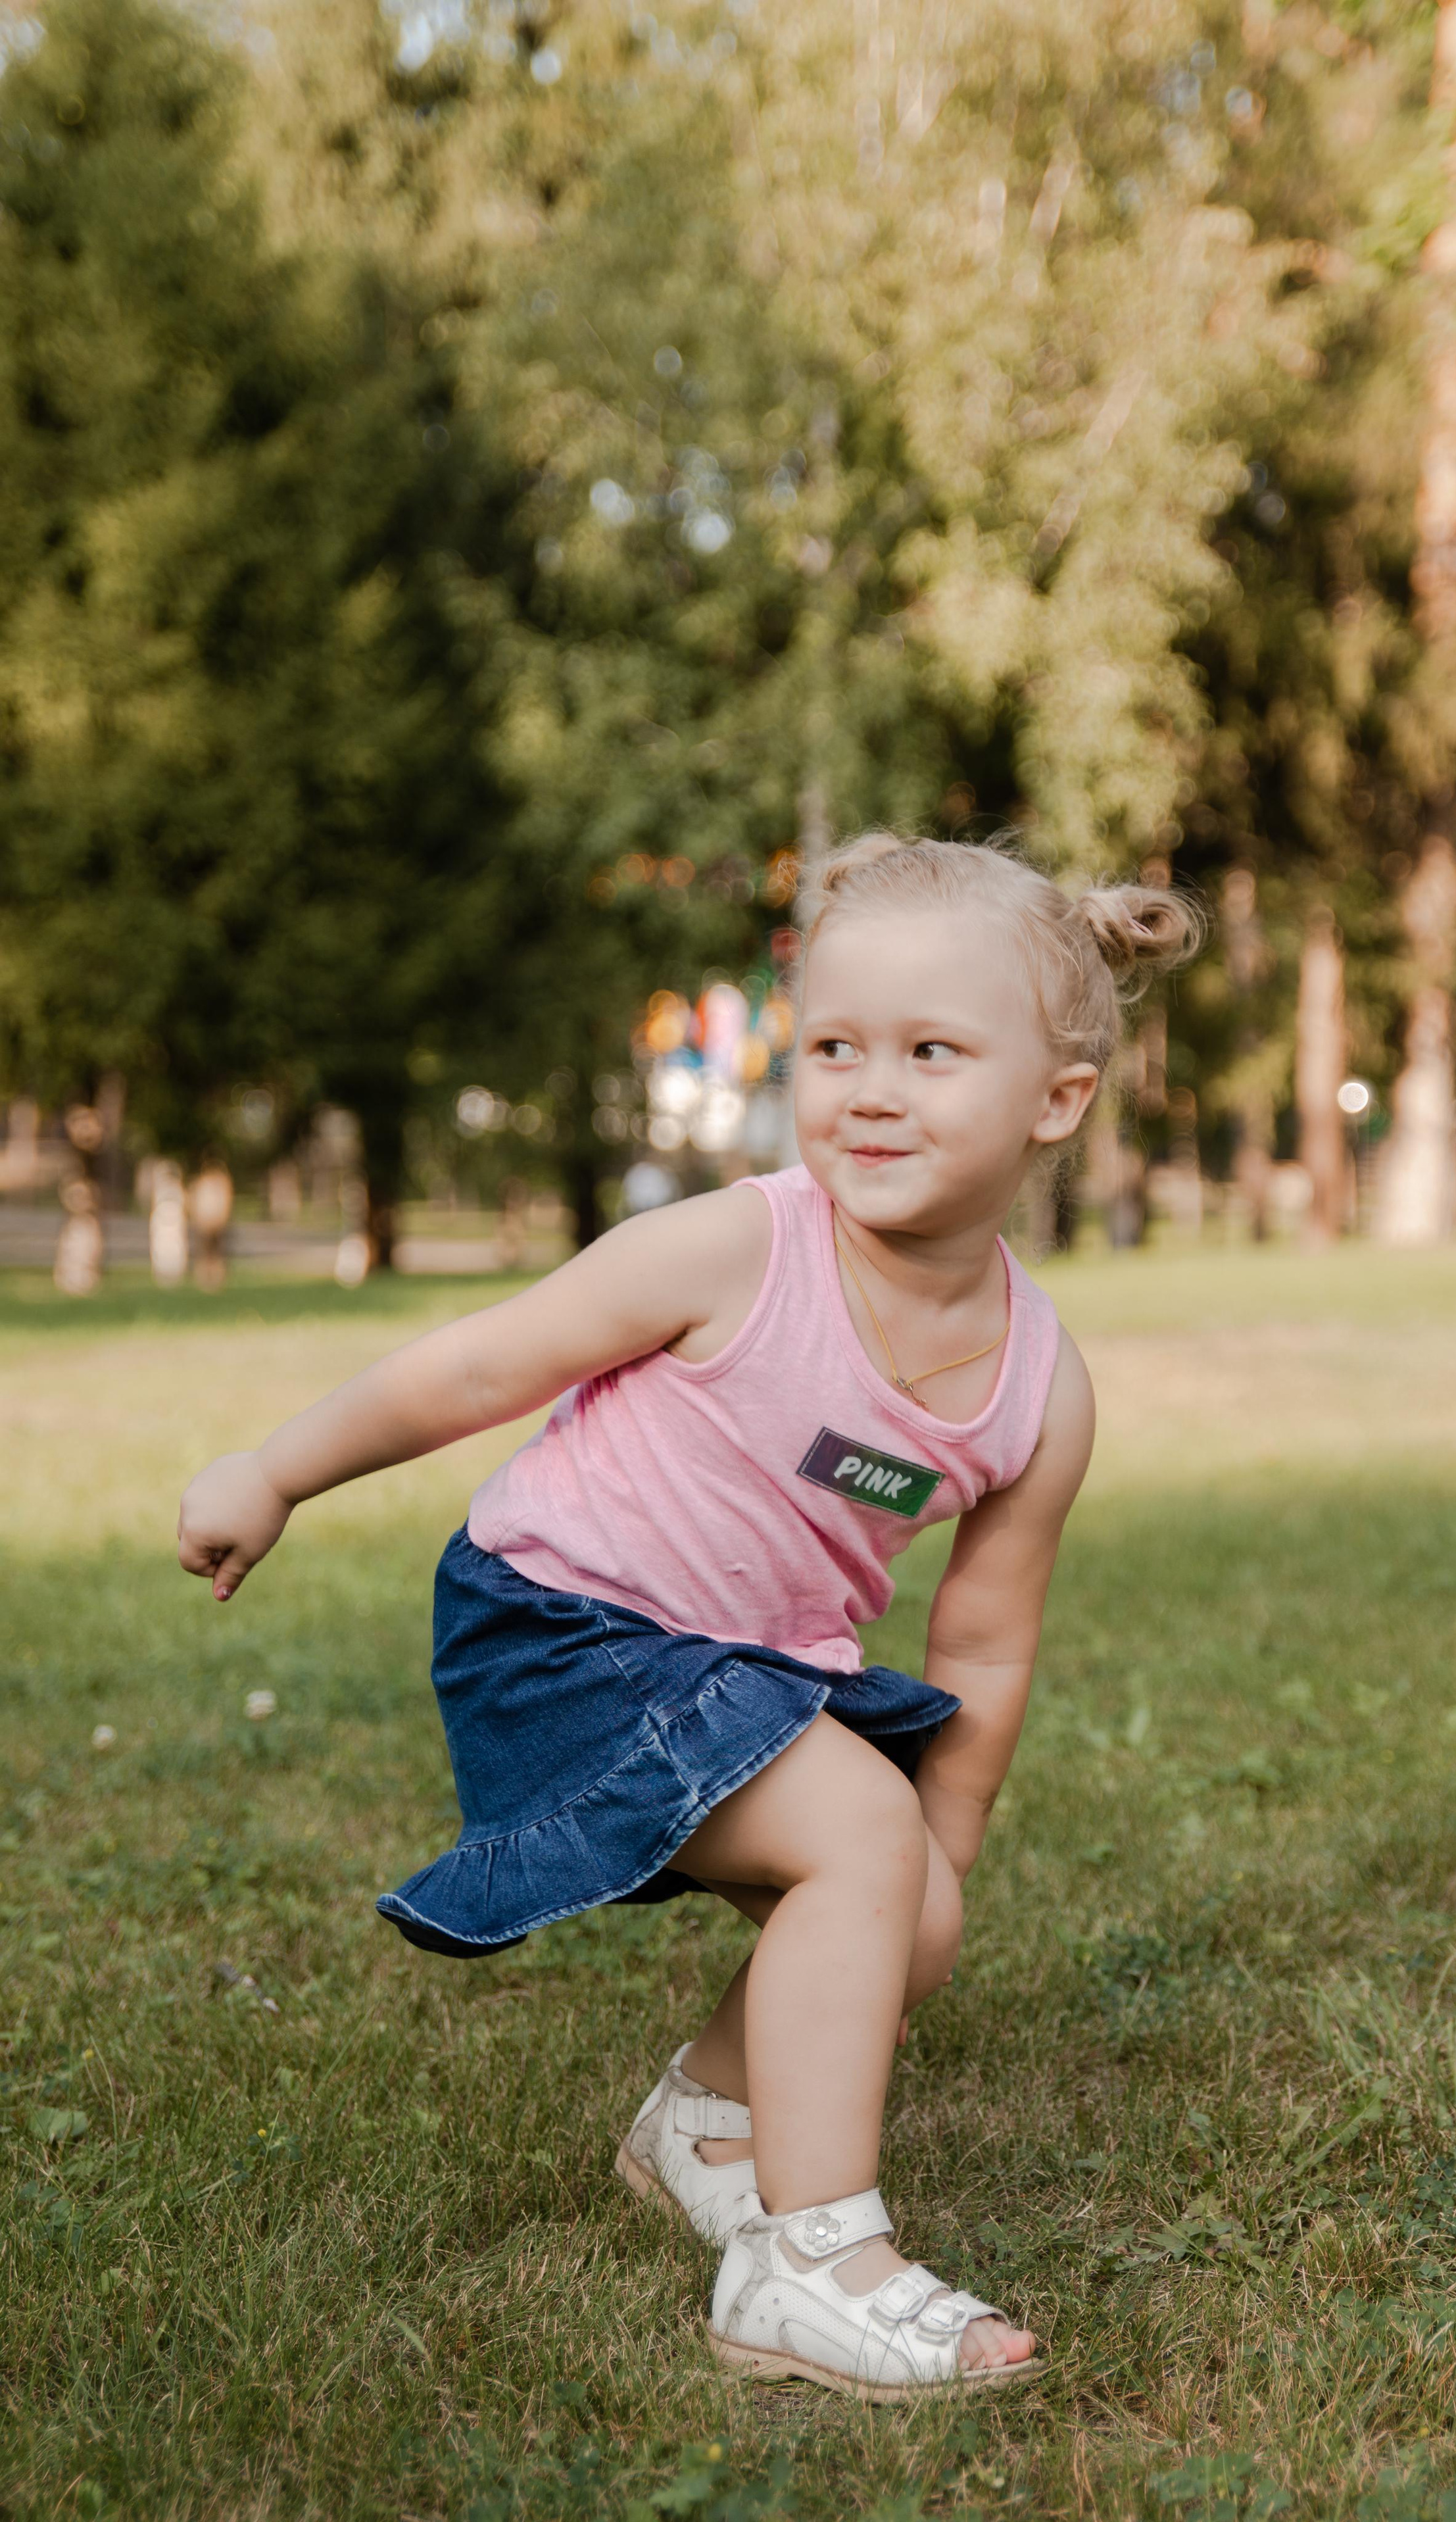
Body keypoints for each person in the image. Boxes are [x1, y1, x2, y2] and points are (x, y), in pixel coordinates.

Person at [176, 834, 1200, 2402]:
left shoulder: (1036, 1385)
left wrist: (952, 1854)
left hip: (752, 1666)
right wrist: (276, 1469)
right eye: (838, 1047)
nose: (870, 1088)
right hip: (561, 1625)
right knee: (859, 1841)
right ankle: (807, 2263)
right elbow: (476, 1367)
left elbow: (986, 1639)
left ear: (1054, 1100)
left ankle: (705, 2124)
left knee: (902, 1903)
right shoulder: (738, 1247)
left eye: (931, 1054)